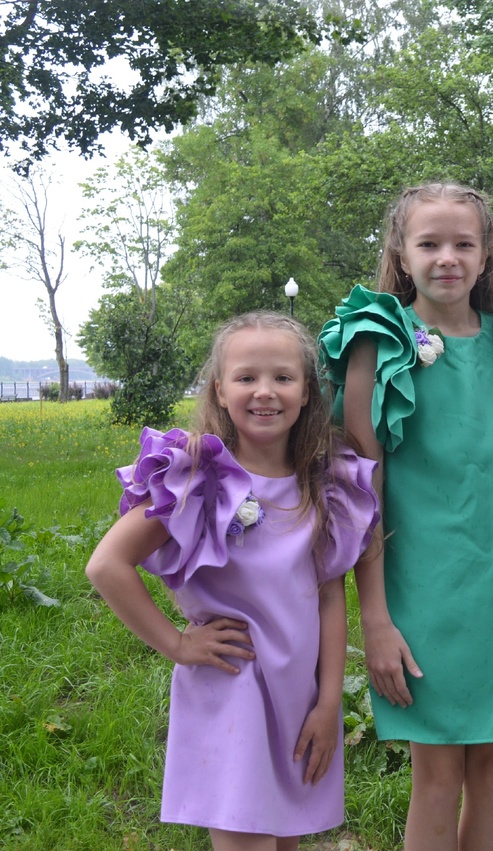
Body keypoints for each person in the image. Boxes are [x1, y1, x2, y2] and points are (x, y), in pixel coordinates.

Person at [318, 182, 493, 850]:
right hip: (420, 593)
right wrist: (374, 618)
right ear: (402, 254)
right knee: (436, 773)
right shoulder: (379, 342)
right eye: (429, 243)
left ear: (487, 254)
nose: (447, 258)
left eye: (464, 243)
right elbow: (359, 495)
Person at [85, 312, 380, 851]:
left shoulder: (322, 482)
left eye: (282, 378)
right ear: (219, 390)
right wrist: (176, 643)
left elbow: (329, 593)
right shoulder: (196, 475)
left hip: (298, 694)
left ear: (308, 391)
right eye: (246, 377)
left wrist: (329, 701)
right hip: (233, 688)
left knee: (287, 836)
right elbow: (106, 565)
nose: (264, 392)